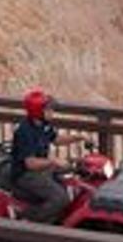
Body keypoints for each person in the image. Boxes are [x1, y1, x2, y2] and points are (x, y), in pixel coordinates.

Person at [9, 87, 84, 223]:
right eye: (48, 109)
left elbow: (56, 139)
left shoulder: (43, 124)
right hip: (25, 174)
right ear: (38, 111)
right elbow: (30, 163)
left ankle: (60, 216)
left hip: (42, 167)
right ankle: (25, 215)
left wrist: (77, 137)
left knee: (77, 169)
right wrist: (54, 162)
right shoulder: (24, 131)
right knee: (61, 199)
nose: (52, 112)